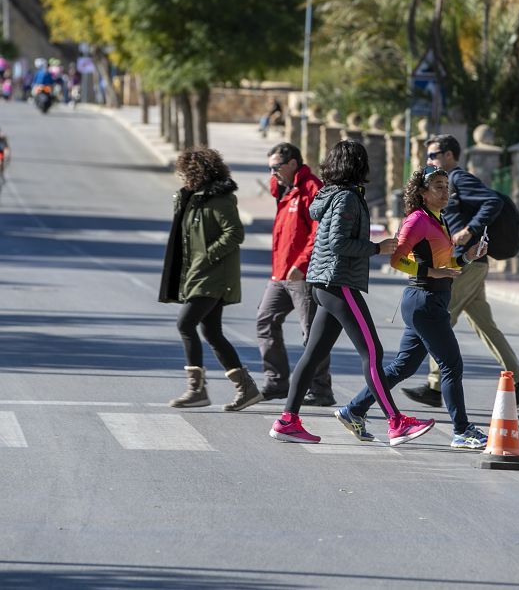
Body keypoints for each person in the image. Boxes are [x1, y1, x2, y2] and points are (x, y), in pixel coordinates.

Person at [269, 140, 435, 446]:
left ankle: (287, 421)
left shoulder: (332, 194)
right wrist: (377, 248)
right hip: (338, 282)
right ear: (357, 165)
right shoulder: (346, 198)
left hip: (324, 283)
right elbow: (337, 244)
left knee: (314, 353)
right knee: (373, 353)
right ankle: (396, 423)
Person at [336, 167, 490, 449]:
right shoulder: (417, 220)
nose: (445, 192)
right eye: (439, 187)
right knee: (451, 365)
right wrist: (430, 273)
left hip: (432, 301)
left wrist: (468, 257)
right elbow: (396, 258)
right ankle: (462, 430)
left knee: (402, 367)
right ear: (422, 193)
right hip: (424, 301)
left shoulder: (438, 218)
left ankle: (353, 410)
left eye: (446, 186)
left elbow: (446, 266)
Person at [403, 135, 519, 409]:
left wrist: (470, 230)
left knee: (438, 318)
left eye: (433, 155)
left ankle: (434, 386)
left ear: (450, 155)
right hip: (465, 262)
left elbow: (492, 202)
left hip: (465, 263)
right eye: (428, 156)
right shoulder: (443, 184)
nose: (429, 161)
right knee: (484, 325)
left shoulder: (459, 179)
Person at [158, 148, 263, 412]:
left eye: (184, 173)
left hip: (212, 275)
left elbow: (235, 233)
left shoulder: (219, 199)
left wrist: (207, 256)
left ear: (197, 172)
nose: (181, 178)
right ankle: (246, 388)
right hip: (198, 273)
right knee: (211, 331)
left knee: (186, 324)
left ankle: (197, 389)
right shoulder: (193, 198)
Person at [256, 142, 335, 406]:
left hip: (302, 274)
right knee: (265, 321)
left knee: (311, 333)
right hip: (280, 274)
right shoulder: (286, 189)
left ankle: (320, 389)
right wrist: (277, 181)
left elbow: (319, 232)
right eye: (269, 169)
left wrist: (301, 264)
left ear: (292, 164)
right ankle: (276, 382)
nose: (272, 173)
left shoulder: (311, 189)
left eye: (276, 167)